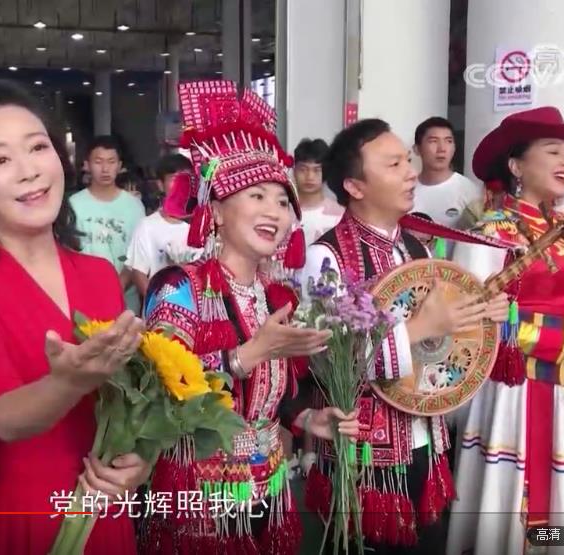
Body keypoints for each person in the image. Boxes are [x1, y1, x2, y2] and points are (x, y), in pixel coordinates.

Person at [0, 80, 150, 555]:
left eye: (37, 147)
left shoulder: (99, 275)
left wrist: (139, 459)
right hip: (15, 522)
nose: (29, 170)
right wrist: (68, 382)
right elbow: (3, 417)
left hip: (102, 515)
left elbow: (125, 402)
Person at [140, 80, 358, 554]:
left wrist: (308, 418)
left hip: (268, 482)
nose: (274, 212)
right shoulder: (179, 287)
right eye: (257, 196)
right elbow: (157, 395)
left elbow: (276, 393)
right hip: (200, 489)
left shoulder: (274, 295)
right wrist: (247, 354)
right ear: (216, 211)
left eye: (282, 201)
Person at [300, 118, 509, 555]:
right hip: (365, 455)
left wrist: (479, 315)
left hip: (425, 438)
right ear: (355, 186)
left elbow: (445, 343)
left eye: (407, 161)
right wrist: (421, 328)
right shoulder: (326, 257)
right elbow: (332, 364)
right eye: (394, 164)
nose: (411, 173)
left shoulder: (416, 248)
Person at [449, 106, 564, 555]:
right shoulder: (491, 233)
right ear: (516, 166)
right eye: (553, 151)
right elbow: (471, 323)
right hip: (518, 389)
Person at [69, 136, 147, 313]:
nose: (105, 169)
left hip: (125, 303)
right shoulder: (73, 205)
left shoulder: (134, 206)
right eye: (98, 162)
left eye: (111, 162)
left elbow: (138, 254)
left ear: (119, 166)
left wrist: (118, 287)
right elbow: (68, 253)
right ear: (87, 165)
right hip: (85, 300)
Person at [124, 158, 201, 301]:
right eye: (174, 179)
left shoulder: (202, 224)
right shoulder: (147, 226)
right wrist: (158, 304)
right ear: (160, 184)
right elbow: (138, 272)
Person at [412, 117, 483, 233]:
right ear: (417, 149)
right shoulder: (406, 189)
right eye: (433, 141)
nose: (442, 149)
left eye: (448, 141)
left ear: (454, 148)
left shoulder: (470, 191)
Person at [292, 138, 344, 242]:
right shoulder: (284, 212)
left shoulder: (340, 215)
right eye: (303, 169)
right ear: (294, 171)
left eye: (316, 170)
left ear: (326, 172)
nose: (309, 176)